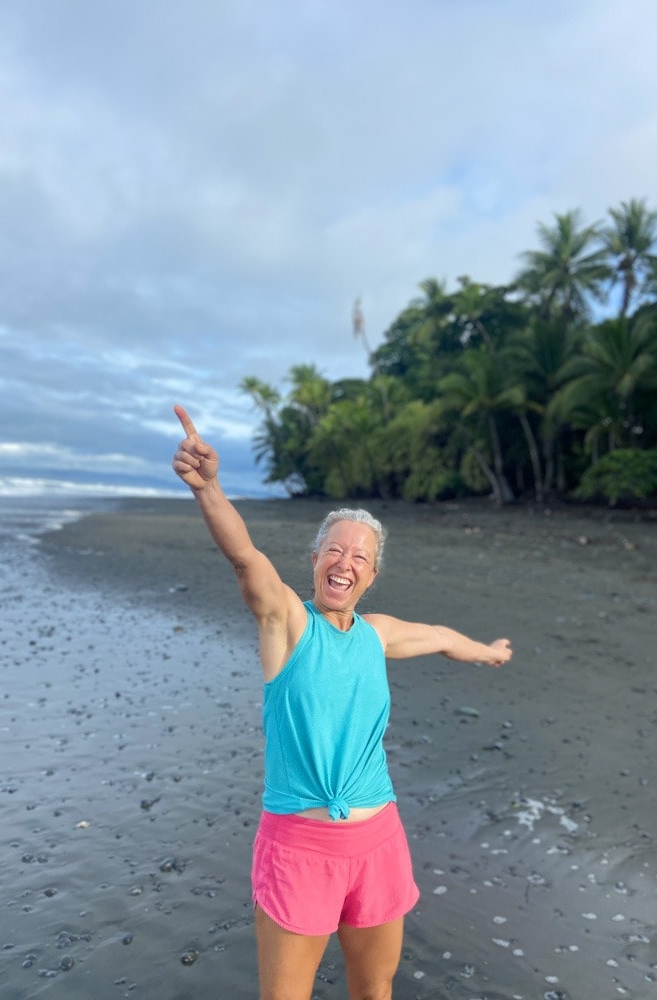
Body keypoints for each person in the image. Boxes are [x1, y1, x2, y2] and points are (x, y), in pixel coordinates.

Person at [171, 404, 512, 1000]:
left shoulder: (376, 632)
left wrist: (487, 651)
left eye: (359, 556)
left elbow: (437, 637)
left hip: (379, 839)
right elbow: (246, 558)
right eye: (335, 549)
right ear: (315, 560)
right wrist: (209, 490)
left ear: (371, 575)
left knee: (374, 988)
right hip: (299, 848)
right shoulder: (287, 625)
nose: (345, 561)